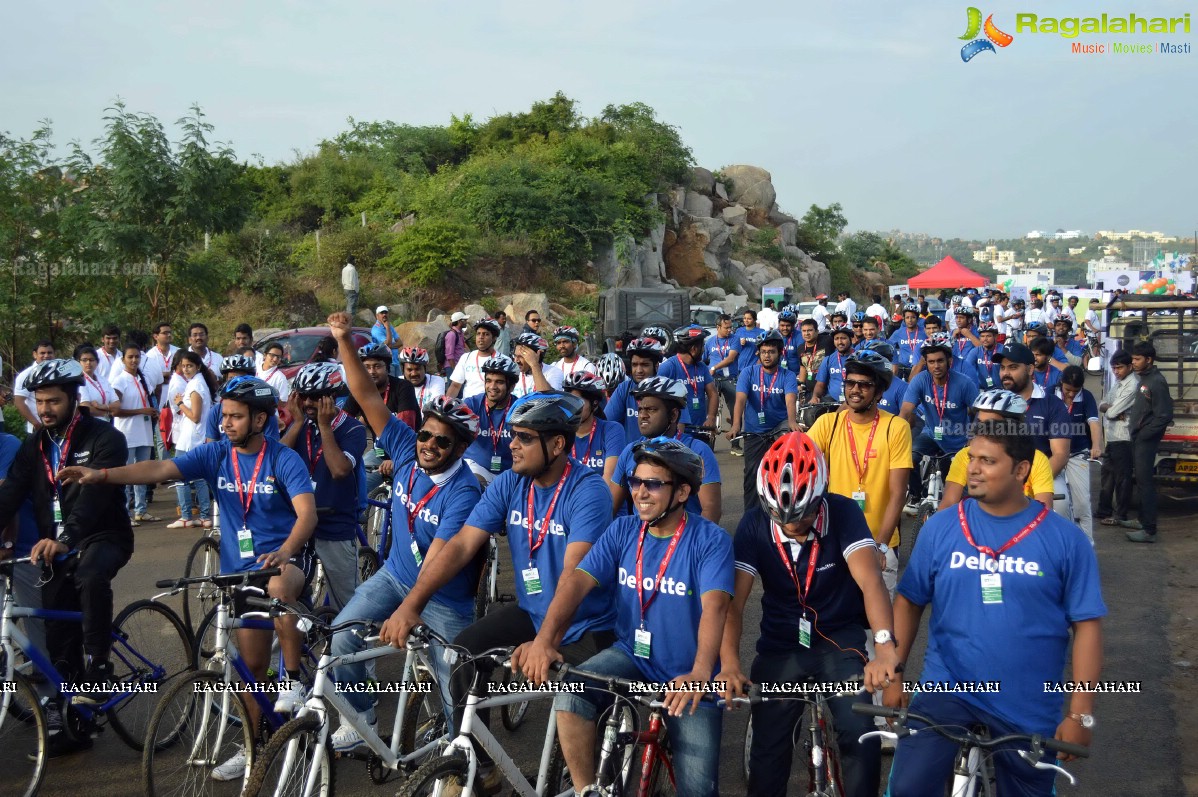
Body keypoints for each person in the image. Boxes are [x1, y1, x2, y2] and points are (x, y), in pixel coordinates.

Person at [62, 374, 318, 779]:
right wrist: (102, 475)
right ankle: (254, 748)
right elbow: (160, 466)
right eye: (224, 416)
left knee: (279, 586)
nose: (226, 423)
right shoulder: (216, 453)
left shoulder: (283, 459)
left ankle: (291, 681)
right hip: (240, 571)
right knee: (250, 672)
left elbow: (307, 515)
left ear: (259, 419)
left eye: (236, 417)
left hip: (285, 560)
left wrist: (286, 550)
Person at [379, 390, 616, 794]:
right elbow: (460, 546)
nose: (512, 444)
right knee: (462, 651)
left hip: (586, 624)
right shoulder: (509, 482)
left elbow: (573, 577)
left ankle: (596, 784)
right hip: (533, 613)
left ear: (557, 444)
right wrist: (411, 604)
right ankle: (479, 765)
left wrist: (544, 642)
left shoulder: (588, 491)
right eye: (513, 435)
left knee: (584, 721)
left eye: (524, 437)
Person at [886, 419, 1105, 797]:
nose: (972, 468)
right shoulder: (940, 528)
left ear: (1021, 470)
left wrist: (1080, 712)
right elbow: (909, 601)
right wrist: (894, 674)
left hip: (1026, 701)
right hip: (946, 691)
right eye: (972, 458)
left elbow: (1087, 626)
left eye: (987, 461)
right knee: (907, 788)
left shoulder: (1066, 540)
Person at [516, 438, 734, 797]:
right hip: (633, 654)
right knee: (570, 697)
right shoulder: (622, 530)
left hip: (690, 671)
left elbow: (715, 608)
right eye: (636, 482)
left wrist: (698, 674)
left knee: (698, 790)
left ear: (681, 493)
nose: (640, 493)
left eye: (653, 484)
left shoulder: (711, 540)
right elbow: (575, 584)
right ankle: (589, 791)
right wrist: (544, 641)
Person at [722, 432, 900, 797]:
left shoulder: (845, 512)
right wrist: (727, 663)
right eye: (780, 516)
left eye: (802, 517)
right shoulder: (754, 524)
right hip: (781, 644)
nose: (791, 526)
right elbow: (733, 604)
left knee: (859, 733)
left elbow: (871, 583)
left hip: (839, 639)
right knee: (769, 754)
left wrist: (884, 647)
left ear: (820, 497)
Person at [325, 346, 482, 751]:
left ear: (460, 449)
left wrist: (407, 610)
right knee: (341, 636)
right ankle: (363, 717)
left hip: (443, 596)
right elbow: (367, 396)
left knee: (454, 688)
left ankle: (463, 758)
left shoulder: (463, 492)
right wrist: (343, 339)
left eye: (441, 442)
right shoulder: (406, 450)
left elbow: (439, 560)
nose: (427, 445)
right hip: (396, 575)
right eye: (424, 435)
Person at [0, 359, 133, 757]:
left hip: (102, 536)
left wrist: (66, 537)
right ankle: (72, 716)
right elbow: (10, 496)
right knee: (58, 636)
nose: (45, 410)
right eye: (40, 402)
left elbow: (94, 499)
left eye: (54, 401)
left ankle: (99, 669)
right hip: (53, 544)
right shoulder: (34, 445)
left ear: (75, 398)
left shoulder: (106, 438)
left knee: (91, 575)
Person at [807, 351, 910, 597]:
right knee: (835, 626)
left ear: (880, 392)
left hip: (879, 541)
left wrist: (881, 546)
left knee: (878, 629)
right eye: (850, 383)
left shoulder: (895, 427)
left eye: (864, 385)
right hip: (834, 543)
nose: (855, 390)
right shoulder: (828, 424)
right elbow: (802, 466)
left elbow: (898, 494)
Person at [282, 362, 367, 612]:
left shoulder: (353, 428)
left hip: (334, 525)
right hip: (299, 524)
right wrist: (296, 424)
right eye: (303, 395)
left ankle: (352, 645)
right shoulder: (301, 425)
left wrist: (325, 427)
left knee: (348, 604)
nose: (308, 402)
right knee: (291, 592)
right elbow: (275, 461)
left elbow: (339, 469)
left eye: (316, 397)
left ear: (331, 397)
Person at [609, 377, 722, 523]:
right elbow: (610, 507)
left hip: (685, 538)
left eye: (651, 409)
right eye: (641, 409)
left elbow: (711, 509)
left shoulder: (698, 450)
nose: (643, 415)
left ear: (673, 415)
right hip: (641, 540)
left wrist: (696, 543)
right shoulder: (629, 451)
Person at [899, 334, 979, 512]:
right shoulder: (921, 380)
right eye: (931, 361)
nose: (936, 366)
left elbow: (978, 414)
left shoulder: (964, 383)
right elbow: (905, 411)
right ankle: (916, 495)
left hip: (958, 439)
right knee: (909, 458)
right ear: (926, 362)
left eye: (940, 361)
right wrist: (895, 433)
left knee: (958, 487)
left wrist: (972, 437)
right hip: (931, 434)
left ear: (949, 360)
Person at [940, 390, 1055, 509]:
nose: (981, 430)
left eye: (989, 425)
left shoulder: (1037, 460)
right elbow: (948, 502)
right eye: (979, 423)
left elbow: (1044, 511)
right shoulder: (965, 455)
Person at [995, 342, 1072, 519]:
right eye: (1003, 367)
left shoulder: (1052, 403)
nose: (1005, 373)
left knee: (1060, 506)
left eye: (1013, 367)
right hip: (1001, 477)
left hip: (1045, 475)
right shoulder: (992, 402)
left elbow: (1060, 455)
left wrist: (1029, 481)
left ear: (1030, 370)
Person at [728, 331, 800, 509]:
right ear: (758, 353)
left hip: (779, 428)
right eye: (764, 351)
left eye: (772, 352)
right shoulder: (748, 372)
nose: (767, 355)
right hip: (755, 432)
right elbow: (740, 400)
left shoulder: (788, 375)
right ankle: (751, 517)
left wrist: (792, 422)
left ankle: (785, 512)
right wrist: (737, 425)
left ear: (780, 353)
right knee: (752, 474)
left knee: (785, 472)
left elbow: (790, 400)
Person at [1124, 341, 1173, 543]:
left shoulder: (1156, 382)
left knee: (1145, 484)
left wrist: (1145, 434)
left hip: (1146, 440)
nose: (1133, 362)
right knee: (1142, 481)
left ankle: (1149, 530)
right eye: (1133, 359)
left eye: (1137, 359)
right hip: (1139, 438)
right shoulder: (1145, 379)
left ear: (1149, 360)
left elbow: (1164, 415)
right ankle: (1142, 520)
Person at [110, 343, 160, 524]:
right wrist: (141, 411)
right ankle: (124, 513)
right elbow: (114, 411)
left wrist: (152, 411)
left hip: (144, 433)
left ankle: (141, 510)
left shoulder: (143, 378)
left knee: (143, 473)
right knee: (126, 474)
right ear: (123, 359)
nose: (134, 360)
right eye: (130, 357)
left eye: (137, 357)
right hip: (126, 434)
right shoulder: (119, 381)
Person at [168, 351, 217, 529]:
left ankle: (187, 516)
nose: (186, 369)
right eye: (183, 365)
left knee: (180, 477)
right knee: (199, 478)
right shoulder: (198, 382)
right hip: (195, 437)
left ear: (197, 366)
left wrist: (180, 403)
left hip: (190, 439)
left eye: (189, 365)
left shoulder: (195, 385)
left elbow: (195, 416)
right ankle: (204, 516)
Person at [1055, 366, 1101, 541]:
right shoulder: (1050, 395)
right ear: (1061, 384)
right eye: (1068, 390)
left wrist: (1096, 446)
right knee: (1059, 504)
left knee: (1082, 504)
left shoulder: (1087, 397)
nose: (1072, 394)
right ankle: (1064, 543)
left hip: (1077, 454)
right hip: (1054, 455)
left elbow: (1094, 423)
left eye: (1076, 391)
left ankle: (1087, 545)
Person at [461, 354, 519, 487]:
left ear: (511, 386)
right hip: (475, 467)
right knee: (475, 483)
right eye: (488, 380)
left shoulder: (519, 408)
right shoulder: (472, 404)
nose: (492, 386)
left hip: (509, 473)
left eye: (499, 382)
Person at [1096, 351, 1137, 528]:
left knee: (1122, 478)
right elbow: (1102, 403)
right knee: (1107, 475)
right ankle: (1104, 509)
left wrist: (1111, 410)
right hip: (1113, 436)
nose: (1116, 371)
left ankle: (1120, 514)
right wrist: (1111, 409)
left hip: (1124, 437)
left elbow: (1109, 411)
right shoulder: (1120, 383)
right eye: (1114, 368)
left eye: (1119, 367)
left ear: (1129, 366)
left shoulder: (1133, 385)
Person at [205, 354, 279, 443]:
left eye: (242, 378)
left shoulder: (264, 413)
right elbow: (211, 447)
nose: (237, 383)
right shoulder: (215, 411)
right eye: (231, 378)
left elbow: (272, 448)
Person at [564, 371, 625, 481]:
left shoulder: (612, 430)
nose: (572, 407)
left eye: (578, 402)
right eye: (569, 401)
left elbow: (609, 479)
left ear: (595, 404)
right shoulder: (561, 435)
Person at [657, 325, 718, 434]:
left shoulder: (702, 366)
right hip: (678, 433)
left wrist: (711, 418)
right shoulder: (668, 367)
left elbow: (713, 393)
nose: (703, 350)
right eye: (702, 346)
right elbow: (657, 400)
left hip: (701, 430)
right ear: (694, 349)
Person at [605, 336, 665, 443]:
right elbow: (607, 424)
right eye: (634, 365)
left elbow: (679, 428)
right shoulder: (624, 389)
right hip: (630, 455)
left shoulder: (667, 390)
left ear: (656, 366)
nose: (639, 370)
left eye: (644, 365)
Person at [447, 317, 501, 399]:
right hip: (467, 408)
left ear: (494, 338)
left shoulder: (502, 360)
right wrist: (446, 404)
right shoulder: (466, 357)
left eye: (486, 334)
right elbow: (455, 385)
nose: (481, 337)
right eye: (478, 334)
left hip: (491, 407)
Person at [705, 314, 739, 439]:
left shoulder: (734, 339)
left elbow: (731, 359)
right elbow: (704, 361)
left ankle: (735, 442)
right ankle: (708, 435)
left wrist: (714, 368)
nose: (730, 330)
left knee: (735, 410)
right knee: (708, 409)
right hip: (713, 379)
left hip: (729, 379)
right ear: (718, 327)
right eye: (726, 327)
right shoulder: (709, 342)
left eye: (731, 327)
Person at [810, 325, 854, 403]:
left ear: (850, 340)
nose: (840, 342)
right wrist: (815, 397)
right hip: (832, 400)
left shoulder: (859, 357)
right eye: (836, 339)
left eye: (843, 338)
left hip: (855, 400)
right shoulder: (828, 359)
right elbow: (820, 384)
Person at [75, 344, 118, 423]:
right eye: (84, 360)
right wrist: (106, 413)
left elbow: (117, 404)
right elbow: (85, 408)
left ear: (97, 362)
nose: (88, 363)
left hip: (106, 425)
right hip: (90, 425)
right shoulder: (79, 380)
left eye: (91, 360)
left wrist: (100, 406)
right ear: (79, 362)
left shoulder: (103, 380)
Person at [512, 332, 564, 396]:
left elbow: (548, 397)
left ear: (538, 355)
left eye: (522, 356)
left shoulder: (554, 372)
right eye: (515, 356)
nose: (516, 360)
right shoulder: (513, 374)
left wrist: (534, 365)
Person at [395, 345, 446, 410]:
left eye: (417, 369)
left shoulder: (436, 381)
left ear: (425, 369)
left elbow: (436, 408)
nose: (414, 374)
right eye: (409, 370)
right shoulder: (397, 383)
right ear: (403, 370)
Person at [795, 318, 829, 403]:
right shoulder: (800, 348)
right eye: (804, 331)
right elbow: (803, 368)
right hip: (809, 391)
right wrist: (800, 385)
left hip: (826, 391)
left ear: (817, 331)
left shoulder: (827, 341)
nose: (806, 333)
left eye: (810, 330)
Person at [888, 304, 925, 379]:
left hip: (920, 368)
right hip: (903, 369)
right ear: (904, 318)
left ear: (917, 318)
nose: (910, 320)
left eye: (913, 317)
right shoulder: (898, 333)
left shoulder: (924, 332)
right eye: (907, 317)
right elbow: (888, 347)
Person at [962, 321, 1001, 389]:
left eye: (988, 336)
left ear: (996, 336)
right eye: (982, 336)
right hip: (983, 390)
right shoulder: (975, 351)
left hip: (1002, 389)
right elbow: (966, 370)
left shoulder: (1003, 350)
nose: (985, 339)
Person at [371, 306, 402, 376]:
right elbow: (388, 345)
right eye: (382, 313)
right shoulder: (376, 329)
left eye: (386, 312)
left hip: (396, 362)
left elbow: (400, 343)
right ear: (377, 316)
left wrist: (390, 346)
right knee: (391, 385)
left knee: (400, 384)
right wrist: (387, 328)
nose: (384, 315)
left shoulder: (390, 326)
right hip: (386, 363)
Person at [443, 312, 470, 376]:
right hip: (452, 367)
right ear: (459, 321)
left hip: (459, 366)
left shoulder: (460, 334)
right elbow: (449, 355)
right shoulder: (451, 335)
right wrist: (455, 370)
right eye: (465, 320)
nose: (466, 322)